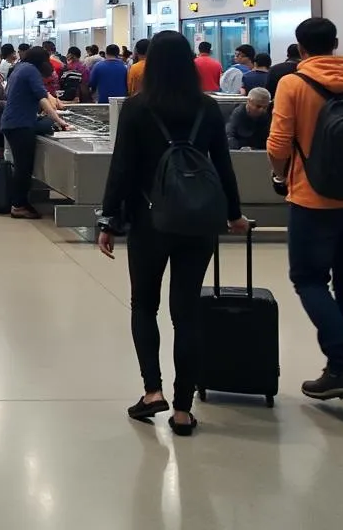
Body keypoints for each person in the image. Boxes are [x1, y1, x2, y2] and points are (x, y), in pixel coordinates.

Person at [98, 31, 248, 436]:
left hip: (150, 221)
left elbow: (122, 168)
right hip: (199, 223)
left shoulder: (136, 108)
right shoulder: (207, 108)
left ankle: (152, 392)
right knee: (187, 314)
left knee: (144, 306)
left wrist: (108, 218)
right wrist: (233, 213)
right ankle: (183, 409)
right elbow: (223, 166)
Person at [267, 17, 343, 400]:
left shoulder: (294, 83)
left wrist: (280, 175)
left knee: (310, 279)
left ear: (300, 48)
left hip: (312, 198)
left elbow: (278, 144)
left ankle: (342, 364)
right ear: (335, 43)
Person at [1, 46, 69, 218]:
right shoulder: (31, 71)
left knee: (21, 165)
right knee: (24, 167)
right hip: (20, 125)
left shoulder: (20, 68)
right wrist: (60, 121)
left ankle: (19, 202)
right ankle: (18, 205)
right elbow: (43, 99)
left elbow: (42, 94)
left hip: (13, 123)